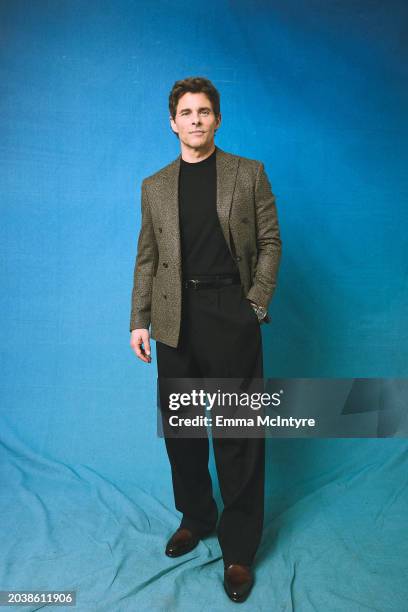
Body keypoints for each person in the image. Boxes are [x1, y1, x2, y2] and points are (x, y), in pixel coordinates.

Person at [129, 76, 282, 603]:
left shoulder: (248, 173)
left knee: (239, 431)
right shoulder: (153, 185)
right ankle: (197, 516)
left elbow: (269, 242)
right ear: (173, 122)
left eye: (205, 111)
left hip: (230, 312)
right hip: (174, 319)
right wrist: (139, 320)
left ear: (217, 119)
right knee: (183, 431)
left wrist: (255, 305)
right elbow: (146, 258)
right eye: (187, 112)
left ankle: (239, 548)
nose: (196, 119)